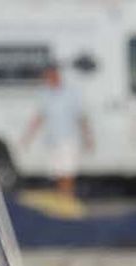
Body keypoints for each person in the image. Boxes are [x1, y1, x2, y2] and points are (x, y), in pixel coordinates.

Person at [20, 64, 92, 203]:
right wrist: (28, 137)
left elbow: (81, 116)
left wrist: (87, 137)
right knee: (58, 171)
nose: (48, 79)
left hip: (69, 138)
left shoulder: (71, 93)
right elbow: (40, 117)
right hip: (53, 139)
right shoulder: (45, 94)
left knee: (68, 170)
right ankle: (63, 197)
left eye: (49, 76)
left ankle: (67, 197)